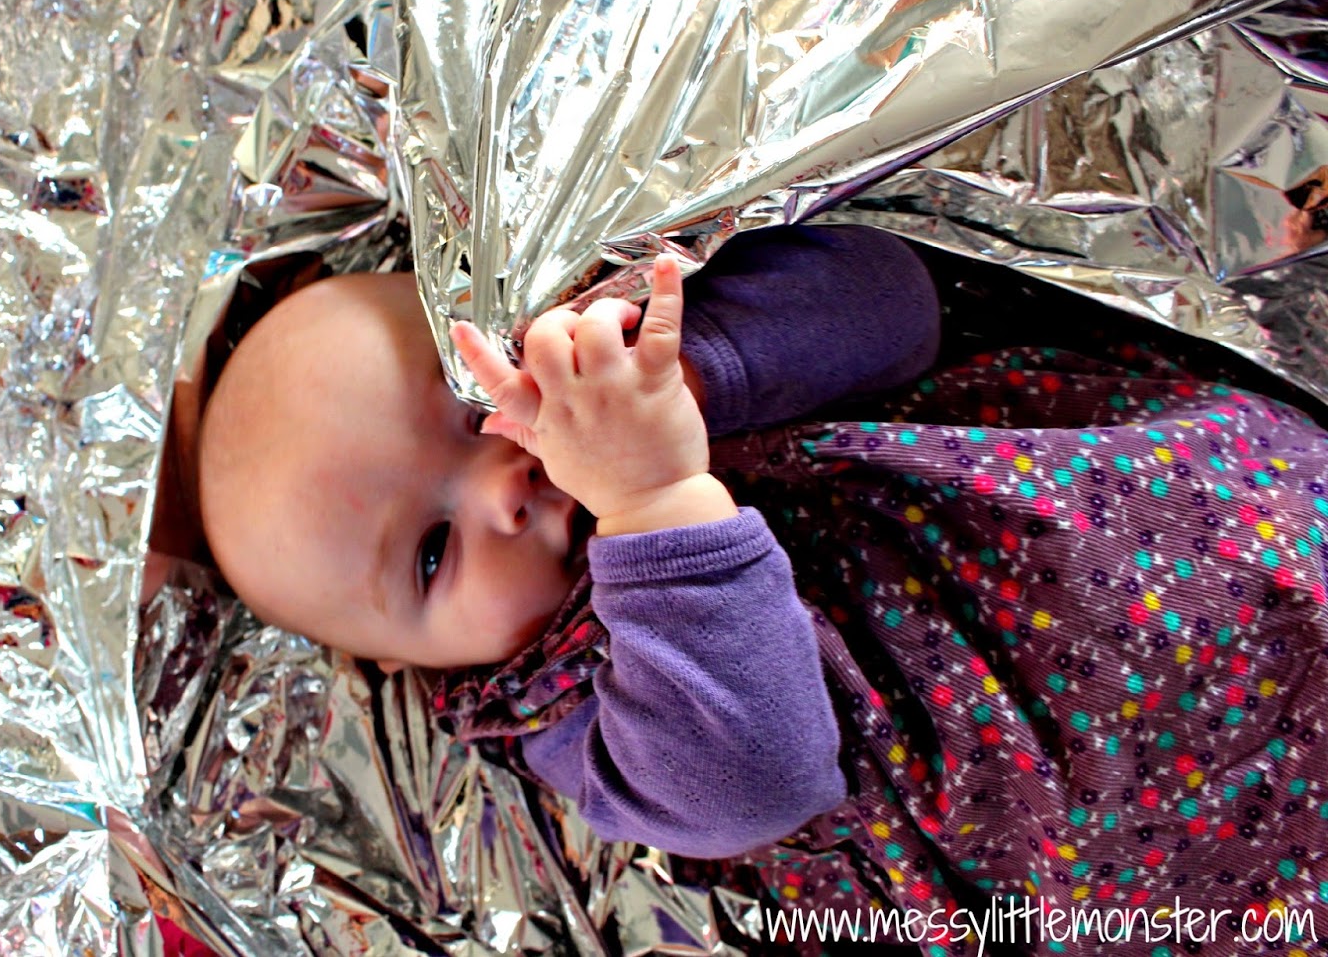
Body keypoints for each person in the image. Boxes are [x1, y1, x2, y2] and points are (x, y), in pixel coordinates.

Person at [161, 225, 1328, 952]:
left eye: (471, 407)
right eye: (430, 553)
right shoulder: (560, 705)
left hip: (1215, 507)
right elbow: (755, 779)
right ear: (412, 672)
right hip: (1192, 846)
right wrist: (654, 499)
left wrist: (692, 378)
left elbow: (898, 299)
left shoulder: (638, 349)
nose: (502, 484)